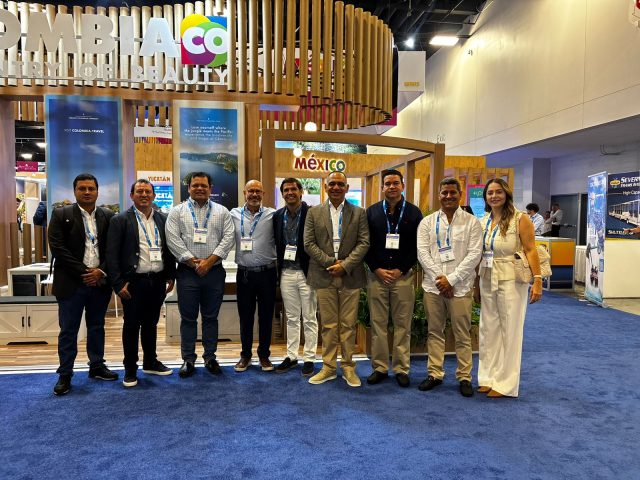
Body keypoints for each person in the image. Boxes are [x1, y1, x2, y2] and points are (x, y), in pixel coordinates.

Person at [48, 173, 117, 396]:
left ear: (97, 191)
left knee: (97, 326)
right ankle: (65, 374)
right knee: (69, 330)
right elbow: (58, 248)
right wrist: (85, 272)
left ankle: (96, 366)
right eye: (82, 188)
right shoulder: (61, 214)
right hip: (71, 283)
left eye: (91, 188)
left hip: (99, 282)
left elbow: (113, 249)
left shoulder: (108, 216)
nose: (87, 192)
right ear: (75, 191)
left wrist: (100, 271)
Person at [474, 178, 543, 398]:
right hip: (487, 276)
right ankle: (487, 377)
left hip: (512, 277)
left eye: (498, 192)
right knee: (488, 329)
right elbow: (480, 253)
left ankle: (505, 384)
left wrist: (538, 279)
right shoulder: (483, 220)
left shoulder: (520, 218)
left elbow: (531, 249)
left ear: (506, 194)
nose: (494, 196)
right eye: (490, 193)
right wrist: (476, 284)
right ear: (485, 197)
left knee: (510, 330)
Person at [106, 179, 176, 388]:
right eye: (139, 191)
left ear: (154, 195)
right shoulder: (120, 220)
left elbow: (169, 250)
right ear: (132, 195)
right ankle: (130, 369)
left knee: (151, 324)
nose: (144, 195)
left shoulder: (163, 219)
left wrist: (170, 275)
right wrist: (118, 284)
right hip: (133, 283)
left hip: (157, 281)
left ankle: (150, 362)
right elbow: (111, 255)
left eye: (148, 192)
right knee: (131, 326)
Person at [417, 177, 483, 397]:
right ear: (439, 195)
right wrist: (441, 280)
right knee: (434, 332)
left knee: (462, 334)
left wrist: (452, 280)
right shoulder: (427, 222)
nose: (448, 196)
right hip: (433, 287)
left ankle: (464, 377)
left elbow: (474, 254)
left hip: (461, 288)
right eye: (444, 192)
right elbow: (422, 253)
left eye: (453, 192)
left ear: (460, 194)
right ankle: (435, 373)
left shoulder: (472, 222)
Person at [165, 172, 235, 378]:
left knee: (211, 317)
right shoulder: (177, 212)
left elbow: (228, 238)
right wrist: (192, 262)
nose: (199, 188)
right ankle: (188, 359)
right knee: (188, 318)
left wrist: (209, 262)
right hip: (188, 273)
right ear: (188, 188)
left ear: (210, 188)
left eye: (204, 185)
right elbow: (172, 239)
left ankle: (210, 357)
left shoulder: (222, 212)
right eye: (195, 185)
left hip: (214, 273)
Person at [304, 171, 370, 388]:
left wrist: (345, 265)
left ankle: (348, 367)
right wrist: (331, 262)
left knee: (349, 325)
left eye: (340, 184)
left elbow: (364, 242)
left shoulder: (359, 213)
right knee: (329, 325)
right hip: (324, 274)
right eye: (332, 184)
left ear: (347, 188)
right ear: (325, 187)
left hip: (350, 275)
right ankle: (329, 367)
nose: (336, 187)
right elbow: (308, 243)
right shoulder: (313, 212)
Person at [364, 169, 422, 388]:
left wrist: (401, 269)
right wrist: (376, 268)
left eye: (395, 183)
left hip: (402, 277)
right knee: (377, 324)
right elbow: (364, 244)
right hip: (377, 276)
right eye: (387, 183)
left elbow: (418, 246)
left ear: (402, 186)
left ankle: (401, 368)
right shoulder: (371, 212)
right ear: (382, 187)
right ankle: (379, 367)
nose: (392, 187)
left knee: (402, 325)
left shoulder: (414, 213)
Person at [230, 180, 277, 373]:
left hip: (267, 273)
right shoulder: (233, 214)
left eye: (258, 191)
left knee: (266, 317)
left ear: (263, 194)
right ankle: (245, 355)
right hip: (245, 274)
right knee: (245, 317)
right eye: (251, 191)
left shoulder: (272, 214)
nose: (254, 194)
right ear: (244, 193)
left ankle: (264, 355)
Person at [273, 178, 318, 377]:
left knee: (309, 317)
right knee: (291, 317)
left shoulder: (312, 213)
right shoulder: (278, 216)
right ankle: (291, 356)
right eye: (286, 190)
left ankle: (309, 357)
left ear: (301, 192)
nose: (290, 193)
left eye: (293, 189)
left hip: (307, 272)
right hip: (286, 272)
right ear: (282, 193)